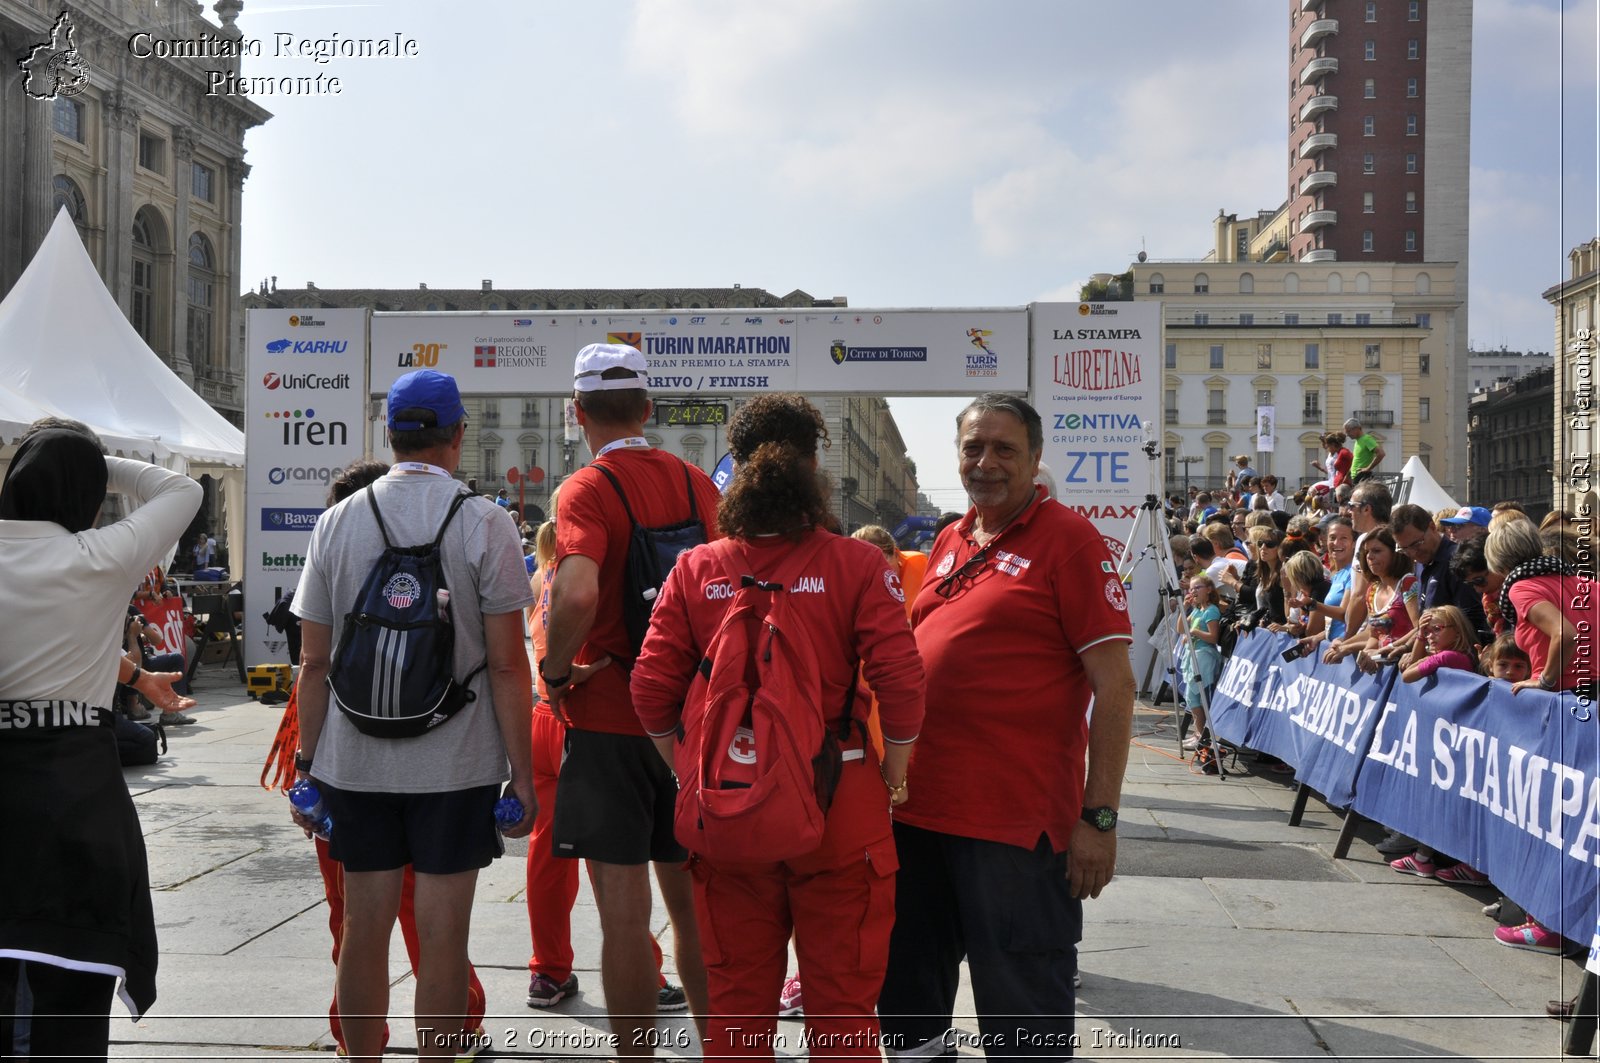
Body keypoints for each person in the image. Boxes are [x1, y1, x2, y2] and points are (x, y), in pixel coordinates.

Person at [630, 393, 925, 1061]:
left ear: (736, 466)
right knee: (844, 1009)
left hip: (729, 808)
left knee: (736, 1008)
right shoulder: (856, 565)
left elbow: (649, 690)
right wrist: (893, 772)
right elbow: (904, 684)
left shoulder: (697, 567)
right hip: (839, 799)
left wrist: (691, 770)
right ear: (814, 466)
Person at [879, 393, 1135, 1060]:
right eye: (973, 447)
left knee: (1026, 1038)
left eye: (1004, 449)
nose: (985, 462)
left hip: (1017, 836)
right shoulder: (951, 537)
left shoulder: (1070, 541)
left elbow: (1116, 687)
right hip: (918, 822)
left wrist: (1100, 818)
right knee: (908, 1021)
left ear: (1035, 459)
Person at [291, 370, 536, 1061]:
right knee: (443, 933)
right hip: (456, 763)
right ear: (458, 437)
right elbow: (510, 665)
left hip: (355, 759)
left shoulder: (338, 520)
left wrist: (308, 767)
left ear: (392, 436)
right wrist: (523, 774)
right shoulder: (486, 523)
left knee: (363, 926)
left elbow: (314, 661)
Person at [0, 419, 202, 1059]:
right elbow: (182, 490)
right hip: (75, 798)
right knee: (73, 1001)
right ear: (87, 491)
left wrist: (137, 673)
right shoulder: (96, 558)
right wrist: (92, 459)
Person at [541, 343, 714, 1057]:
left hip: (610, 719)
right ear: (648, 409)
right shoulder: (699, 484)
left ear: (578, 412)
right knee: (695, 910)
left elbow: (577, 589)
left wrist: (556, 670)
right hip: (688, 722)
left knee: (622, 915)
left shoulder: (586, 488)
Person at [522, 513, 688, 1011]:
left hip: (541, 718)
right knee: (612, 866)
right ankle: (649, 975)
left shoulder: (544, 571)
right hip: (581, 716)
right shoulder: (595, 573)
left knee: (546, 857)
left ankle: (548, 971)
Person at [1344, 418, 1386, 484]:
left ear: (1356, 428)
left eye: (1348, 431)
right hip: (1356, 477)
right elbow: (1357, 460)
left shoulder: (1366, 439)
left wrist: (1368, 468)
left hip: (1362, 477)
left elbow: (1381, 453)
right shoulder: (1357, 441)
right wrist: (1348, 474)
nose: (1347, 434)